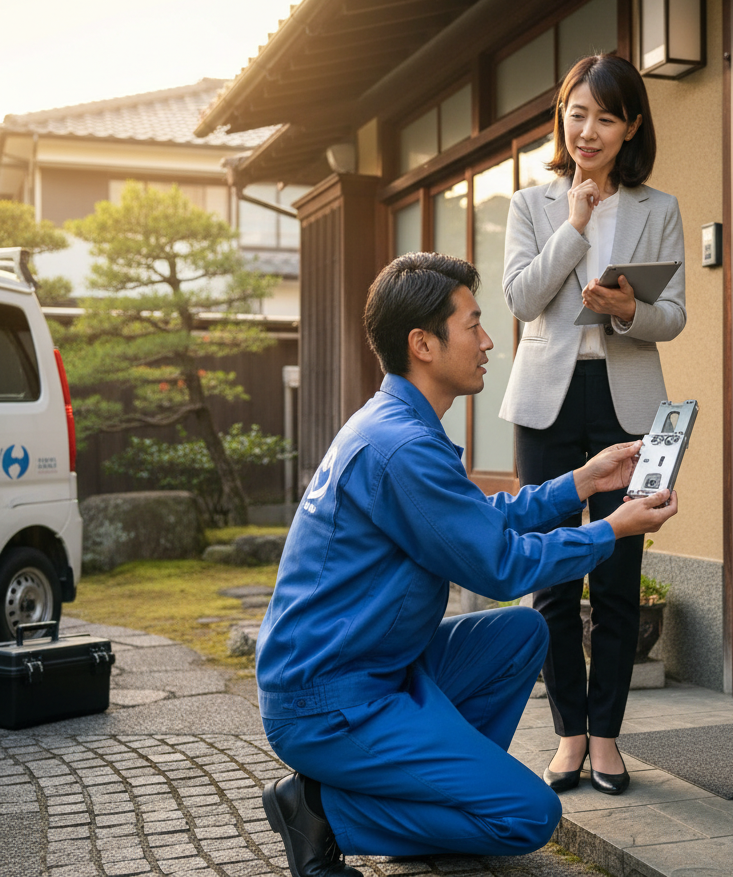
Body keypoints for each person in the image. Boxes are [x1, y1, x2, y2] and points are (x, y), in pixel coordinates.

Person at [256, 252, 678, 877]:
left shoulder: (394, 425)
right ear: (422, 344)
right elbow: (499, 565)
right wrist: (612, 529)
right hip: (331, 701)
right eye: (474, 325)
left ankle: (441, 799)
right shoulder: (402, 446)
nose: (488, 343)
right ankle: (319, 809)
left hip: (374, 669)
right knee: (528, 817)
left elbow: (477, 521)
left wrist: (583, 482)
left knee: (521, 632)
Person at [500, 54, 686, 796]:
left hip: (626, 402)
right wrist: (574, 226)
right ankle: (568, 736)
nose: (588, 130)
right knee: (550, 578)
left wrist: (629, 310)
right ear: (562, 118)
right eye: (577, 113)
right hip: (546, 403)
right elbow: (521, 299)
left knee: (616, 578)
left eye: (606, 117)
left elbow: (673, 316)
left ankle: (606, 738)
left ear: (631, 126)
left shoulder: (657, 207)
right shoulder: (531, 204)